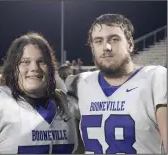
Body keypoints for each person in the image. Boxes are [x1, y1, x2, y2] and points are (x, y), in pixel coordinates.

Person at [67, 14, 167, 154]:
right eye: (98, 41)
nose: (106, 47)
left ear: (130, 44)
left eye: (114, 39)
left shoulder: (155, 77)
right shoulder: (79, 83)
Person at [0, 32, 81, 154]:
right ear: (13, 68)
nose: (34, 68)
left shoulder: (66, 103)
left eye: (41, 61)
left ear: (50, 68)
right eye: (25, 62)